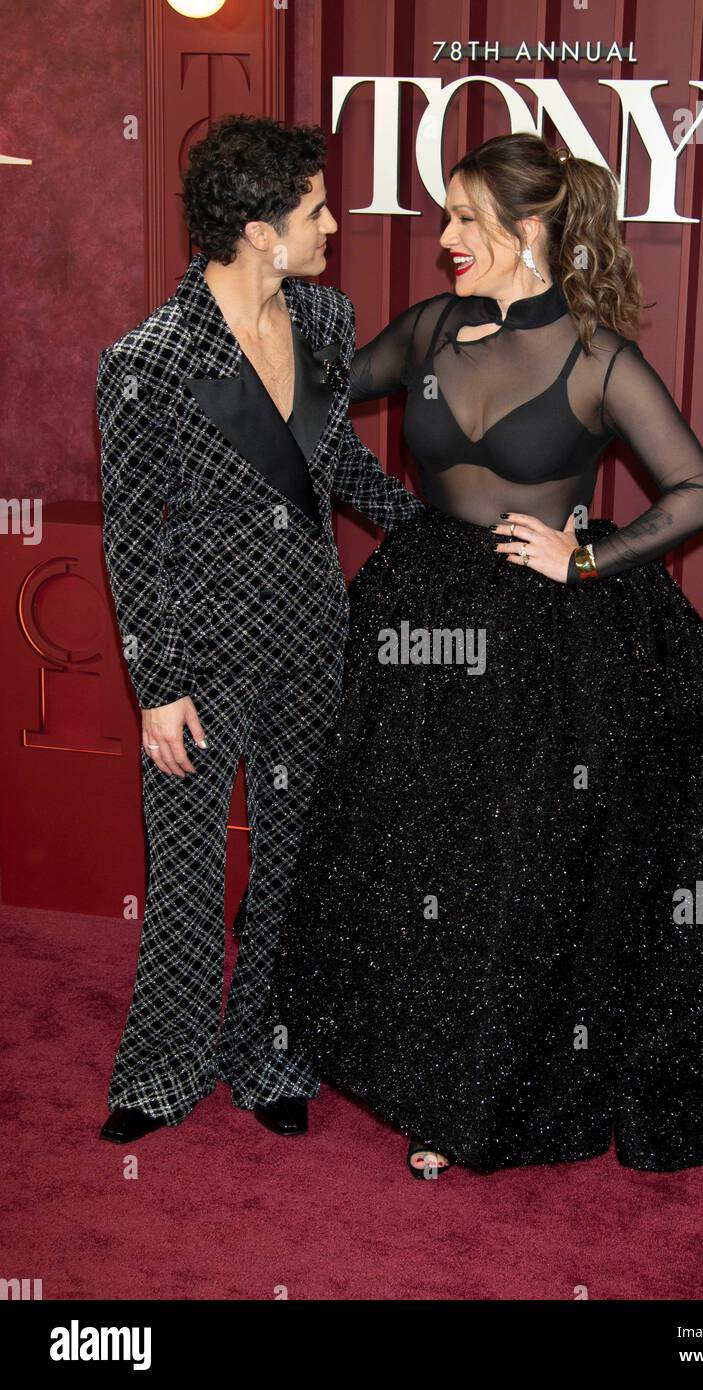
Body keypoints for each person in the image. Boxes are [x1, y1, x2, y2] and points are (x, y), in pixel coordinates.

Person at [266, 132, 703, 1178]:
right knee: (420, 853)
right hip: (423, 625)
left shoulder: (596, 356)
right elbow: (316, 393)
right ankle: (404, 1061)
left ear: (529, 226)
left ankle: (467, 1103)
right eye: (446, 216)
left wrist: (585, 556)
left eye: (463, 219)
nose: (443, 237)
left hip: (548, 652)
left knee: (509, 872)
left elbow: (698, 493)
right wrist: (257, 308)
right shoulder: (430, 330)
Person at [96, 115, 424, 1145]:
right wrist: (155, 686)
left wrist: (440, 534)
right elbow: (134, 536)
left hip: (311, 647)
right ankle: (161, 1071)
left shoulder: (326, 321)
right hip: (201, 659)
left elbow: (340, 474)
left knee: (292, 864)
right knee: (188, 876)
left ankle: (271, 1052)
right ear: (255, 228)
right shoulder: (148, 359)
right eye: (315, 209)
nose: (334, 222)